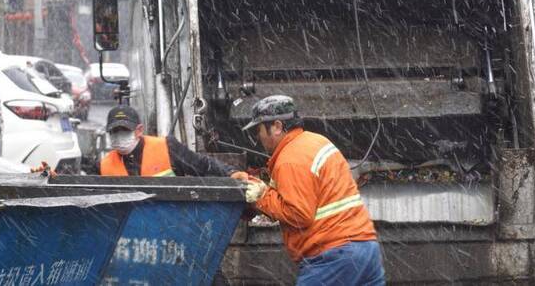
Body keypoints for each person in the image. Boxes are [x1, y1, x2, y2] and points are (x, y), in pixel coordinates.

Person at [241, 95, 384, 285]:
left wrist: (261, 196)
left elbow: (299, 214)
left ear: (276, 126)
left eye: (258, 129)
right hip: (366, 248)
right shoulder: (317, 142)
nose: (258, 136)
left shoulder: (290, 159)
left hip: (334, 255)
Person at [98, 105, 247, 180]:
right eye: (114, 132)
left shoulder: (166, 147)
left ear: (139, 130)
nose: (119, 136)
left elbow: (201, 165)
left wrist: (230, 173)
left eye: (124, 131)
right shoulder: (104, 165)